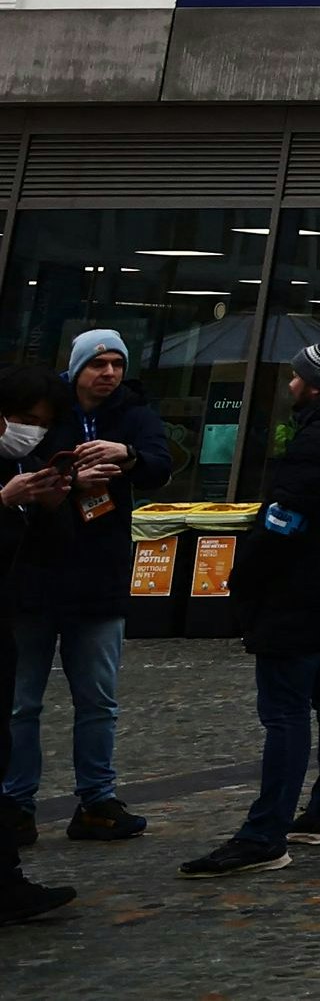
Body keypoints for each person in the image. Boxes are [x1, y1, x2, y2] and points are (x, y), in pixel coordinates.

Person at [184, 324, 320, 877]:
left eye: (300, 374)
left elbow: (282, 524)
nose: (293, 380)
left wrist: (244, 579)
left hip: (299, 594)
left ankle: (265, 833)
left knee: (284, 712)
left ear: (318, 387)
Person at [3, 329, 169, 846]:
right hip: (34, 575)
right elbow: (23, 462)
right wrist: (69, 479)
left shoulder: (135, 414)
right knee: (20, 701)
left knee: (98, 699)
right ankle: (14, 803)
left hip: (100, 576)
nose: (109, 374)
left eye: (118, 364)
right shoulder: (44, 407)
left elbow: (162, 466)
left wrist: (128, 456)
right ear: (76, 368)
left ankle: (97, 799)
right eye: (99, 364)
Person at [0, 367, 79, 920]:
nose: (30, 434)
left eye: (39, 426)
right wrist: (3, 501)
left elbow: (34, 552)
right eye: (25, 422)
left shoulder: (19, 465)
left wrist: (47, 508)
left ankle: (7, 881)